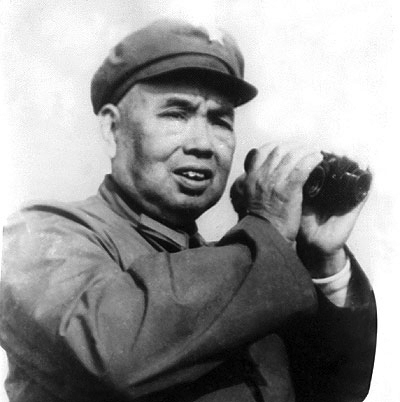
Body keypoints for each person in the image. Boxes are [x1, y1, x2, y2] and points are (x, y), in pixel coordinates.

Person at [0, 19, 376, 402]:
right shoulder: (34, 238)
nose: (203, 144)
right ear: (112, 128)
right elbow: (110, 352)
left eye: (219, 120)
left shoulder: (248, 269)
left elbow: (334, 391)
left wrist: (323, 264)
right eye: (176, 114)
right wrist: (267, 231)